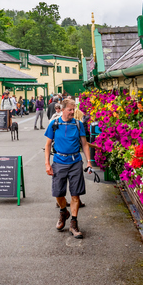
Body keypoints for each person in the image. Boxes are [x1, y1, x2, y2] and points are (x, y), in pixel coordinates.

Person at [44, 99, 93, 239]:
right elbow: (47, 145)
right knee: (58, 193)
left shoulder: (78, 125)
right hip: (59, 162)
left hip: (75, 162)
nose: (73, 112)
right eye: (70, 109)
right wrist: (47, 164)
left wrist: (89, 162)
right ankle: (63, 211)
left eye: (74, 109)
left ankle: (73, 223)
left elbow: (84, 145)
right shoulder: (54, 124)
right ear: (63, 109)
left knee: (75, 194)